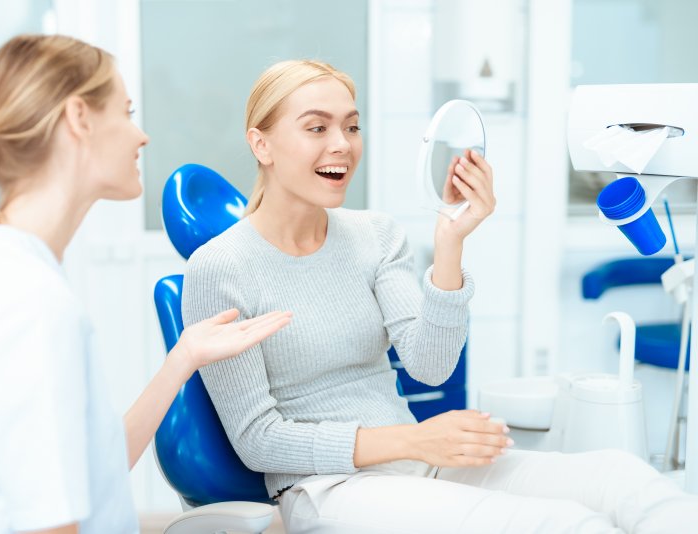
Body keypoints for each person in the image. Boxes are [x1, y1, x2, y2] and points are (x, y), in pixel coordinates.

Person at [181, 59, 698, 533]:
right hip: (330, 488)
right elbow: (258, 441)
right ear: (261, 144)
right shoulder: (220, 268)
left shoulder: (375, 236)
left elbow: (430, 366)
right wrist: (415, 439)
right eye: (317, 127)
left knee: (621, 478)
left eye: (352, 126)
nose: (342, 143)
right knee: (560, 524)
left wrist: (451, 241)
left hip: (421, 463)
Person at [0, 34, 291, 534]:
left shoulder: (9, 273)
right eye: (125, 112)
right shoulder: (23, 301)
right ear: (79, 118)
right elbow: (49, 525)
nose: (140, 136)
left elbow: (94, 470)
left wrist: (183, 358)